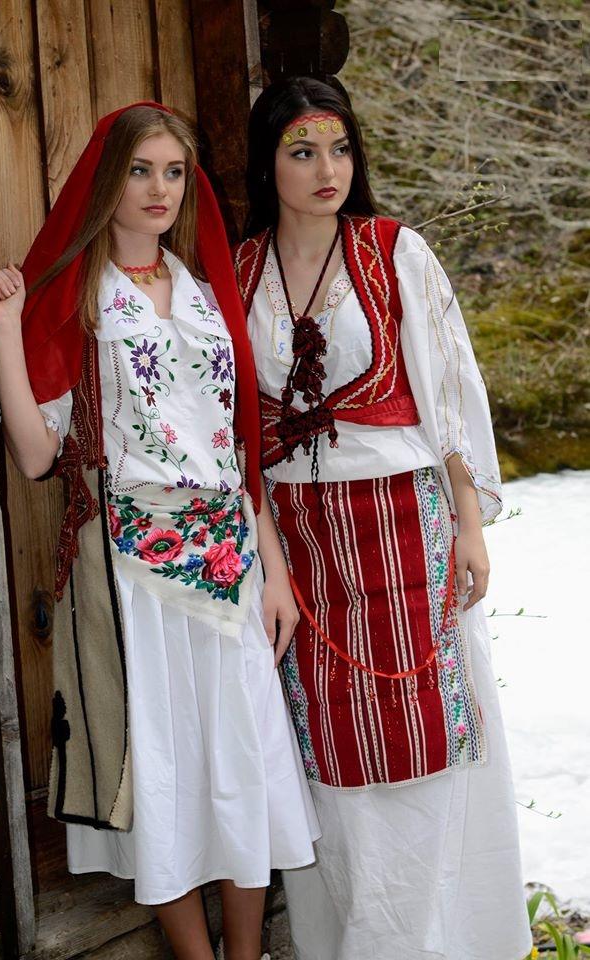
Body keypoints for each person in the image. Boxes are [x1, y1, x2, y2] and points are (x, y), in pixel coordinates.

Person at [0, 101, 319, 960]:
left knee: (244, 765)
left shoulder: (204, 292)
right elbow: (35, 455)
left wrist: (275, 572)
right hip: (136, 574)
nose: (159, 189)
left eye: (173, 172)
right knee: (162, 774)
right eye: (140, 170)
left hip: (232, 566)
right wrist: (5, 331)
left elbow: (236, 445)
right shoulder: (79, 297)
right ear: (108, 179)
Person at [234, 76, 533, 960]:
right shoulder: (240, 272)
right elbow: (237, 427)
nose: (326, 169)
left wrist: (469, 524)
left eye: (339, 149)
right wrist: (267, 559)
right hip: (299, 539)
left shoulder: (395, 252)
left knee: (426, 735)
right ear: (266, 164)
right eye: (301, 152)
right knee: (332, 751)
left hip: (404, 522)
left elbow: (449, 392)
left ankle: (443, 941)